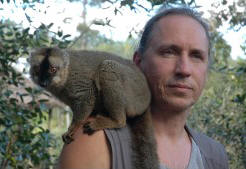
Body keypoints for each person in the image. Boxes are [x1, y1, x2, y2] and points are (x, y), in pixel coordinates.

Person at [56, 7, 229, 169]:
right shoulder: (95, 140)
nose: (184, 69)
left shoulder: (215, 155)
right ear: (138, 63)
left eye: (196, 56)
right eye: (169, 52)